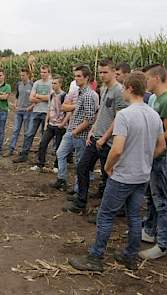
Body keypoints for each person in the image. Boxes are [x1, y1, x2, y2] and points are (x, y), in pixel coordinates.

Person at [67, 72, 166, 272]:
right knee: (135, 216)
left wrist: (108, 166)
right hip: (142, 176)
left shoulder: (125, 115)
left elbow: (118, 148)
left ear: (129, 88)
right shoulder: (153, 114)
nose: (122, 91)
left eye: (123, 88)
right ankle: (130, 255)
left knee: (105, 215)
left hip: (123, 176)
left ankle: (95, 257)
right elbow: (162, 146)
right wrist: (145, 160)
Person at [66, 59, 127, 218]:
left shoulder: (119, 91)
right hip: (96, 138)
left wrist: (104, 138)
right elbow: (100, 113)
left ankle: (106, 212)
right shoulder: (104, 88)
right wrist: (93, 132)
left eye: (105, 72)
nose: (102, 75)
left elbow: (118, 118)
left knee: (107, 177)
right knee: (82, 167)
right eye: (100, 72)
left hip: (109, 141)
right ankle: (81, 202)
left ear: (114, 72)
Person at [49, 65, 97, 191]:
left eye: (79, 76)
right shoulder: (79, 92)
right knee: (60, 153)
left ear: (87, 78)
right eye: (75, 76)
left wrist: (76, 131)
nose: (76, 78)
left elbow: (90, 118)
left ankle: (78, 189)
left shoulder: (88, 95)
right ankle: (62, 179)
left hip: (80, 134)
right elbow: (64, 107)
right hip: (72, 130)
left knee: (79, 163)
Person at [139, 64, 167, 260]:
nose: (145, 82)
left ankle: (163, 244)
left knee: (162, 202)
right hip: (155, 155)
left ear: (156, 77)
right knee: (153, 197)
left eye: (147, 78)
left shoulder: (165, 100)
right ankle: (150, 231)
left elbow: (165, 136)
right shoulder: (156, 99)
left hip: (161, 157)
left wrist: (151, 154)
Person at [13, 65, 52, 163]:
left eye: (45, 72)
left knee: (44, 136)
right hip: (35, 111)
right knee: (29, 133)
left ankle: (41, 158)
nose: (42, 74)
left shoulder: (52, 83)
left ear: (49, 73)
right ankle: (24, 154)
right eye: (41, 72)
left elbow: (51, 98)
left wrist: (38, 96)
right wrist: (44, 97)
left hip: (46, 112)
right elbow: (31, 98)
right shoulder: (37, 83)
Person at [30, 75, 70, 172]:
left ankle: (57, 166)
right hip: (51, 124)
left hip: (60, 126)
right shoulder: (51, 95)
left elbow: (69, 112)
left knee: (58, 147)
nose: (53, 85)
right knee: (43, 143)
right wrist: (46, 122)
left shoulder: (65, 96)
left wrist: (63, 123)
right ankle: (40, 164)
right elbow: (49, 108)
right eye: (52, 83)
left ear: (60, 84)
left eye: (55, 83)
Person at [5, 68, 33, 157]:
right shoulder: (19, 84)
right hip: (19, 111)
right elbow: (17, 96)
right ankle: (11, 149)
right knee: (15, 130)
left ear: (28, 75)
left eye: (23, 75)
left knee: (26, 132)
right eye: (21, 75)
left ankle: (24, 151)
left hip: (27, 112)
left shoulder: (32, 85)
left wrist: (31, 107)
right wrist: (15, 105)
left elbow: (34, 99)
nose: (22, 77)